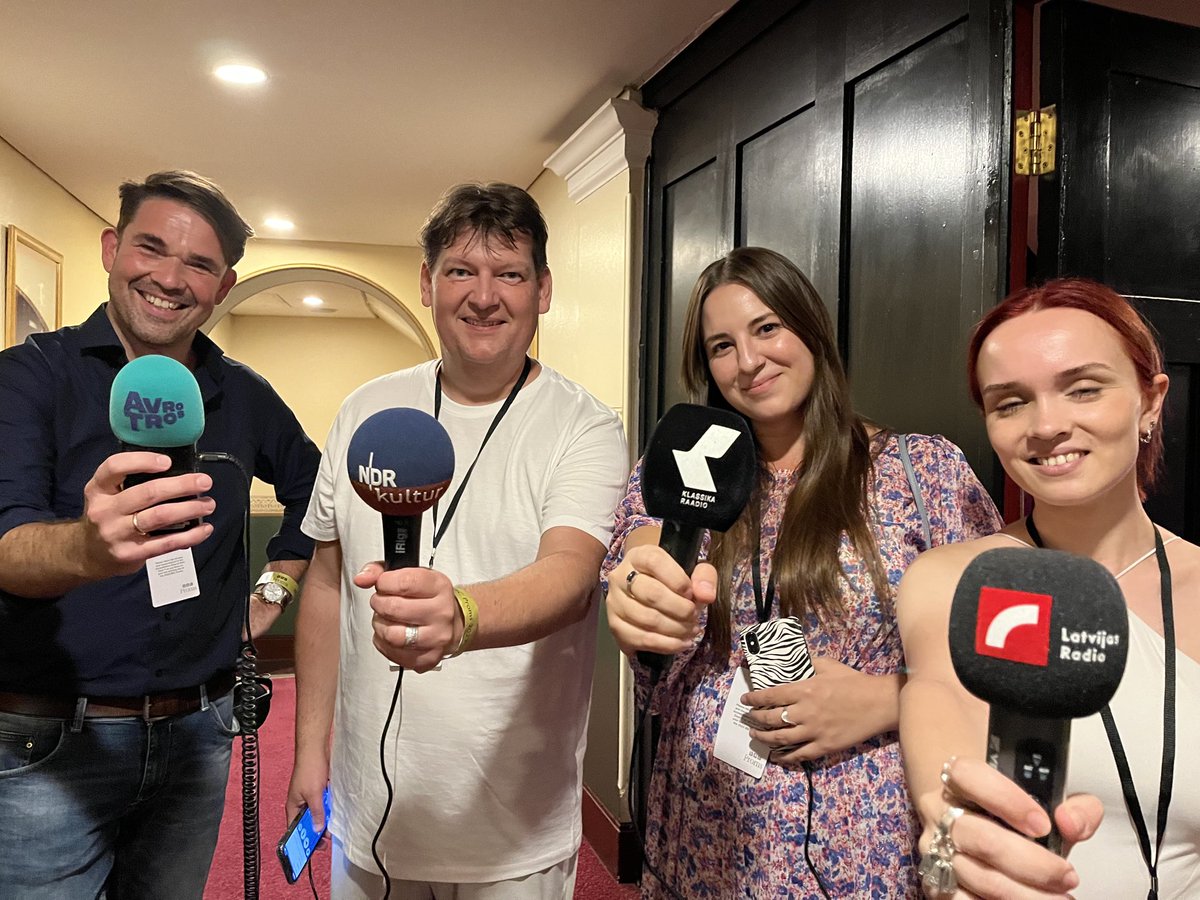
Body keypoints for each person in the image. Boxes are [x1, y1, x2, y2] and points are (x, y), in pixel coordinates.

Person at [602, 246, 1001, 898]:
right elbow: (641, 559)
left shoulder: (921, 474)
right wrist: (639, 594)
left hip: (866, 848)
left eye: (767, 328)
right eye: (721, 346)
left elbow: (994, 659)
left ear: (811, 329)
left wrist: (881, 701)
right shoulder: (677, 469)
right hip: (706, 840)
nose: (749, 361)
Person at [287, 182, 628, 899]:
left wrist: (462, 613)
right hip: (369, 814)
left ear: (543, 291)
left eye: (509, 273)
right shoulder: (365, 409)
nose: (484, 296)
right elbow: (324, 579)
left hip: (511, 836)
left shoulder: (585, 426)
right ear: (426, 283)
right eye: (460, 271)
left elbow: (568, 575)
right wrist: (307, 749)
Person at [0, 170, 320, 898]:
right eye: (151, 248)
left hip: (197, 736)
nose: (170, 279)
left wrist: (275, 588)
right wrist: (85, 548)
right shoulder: (28, 379)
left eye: (200, 265)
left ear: (224, 284)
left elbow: (316, 494)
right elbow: (6, 544)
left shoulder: (245, 394)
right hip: (48, 746)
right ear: (113, 249)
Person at [897, 277, 1199, 898]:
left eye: (1083, 389)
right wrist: (953, 846)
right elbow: (946, 779)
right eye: (1010, 403)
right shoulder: (953, 582)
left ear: (1150, 400)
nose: (1046, 425)